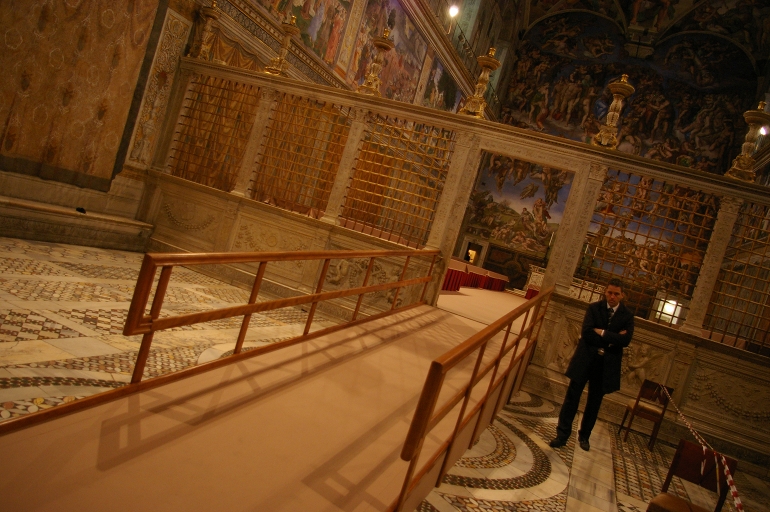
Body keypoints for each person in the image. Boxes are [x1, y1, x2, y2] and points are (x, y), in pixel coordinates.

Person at [549, 278, 634, 451]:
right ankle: (562, 435)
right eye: (609, 292)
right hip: (586, 359)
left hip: (605, 365)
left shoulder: (627, 316)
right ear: (605, 291)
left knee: (594, 403)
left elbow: (625, 340)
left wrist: (602, 332)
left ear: (622, 295)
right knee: (572, 398)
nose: (612, 296)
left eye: (616, 294)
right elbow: (587, 333)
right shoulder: (594, 308)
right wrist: (612, 338)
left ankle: (584, 437)